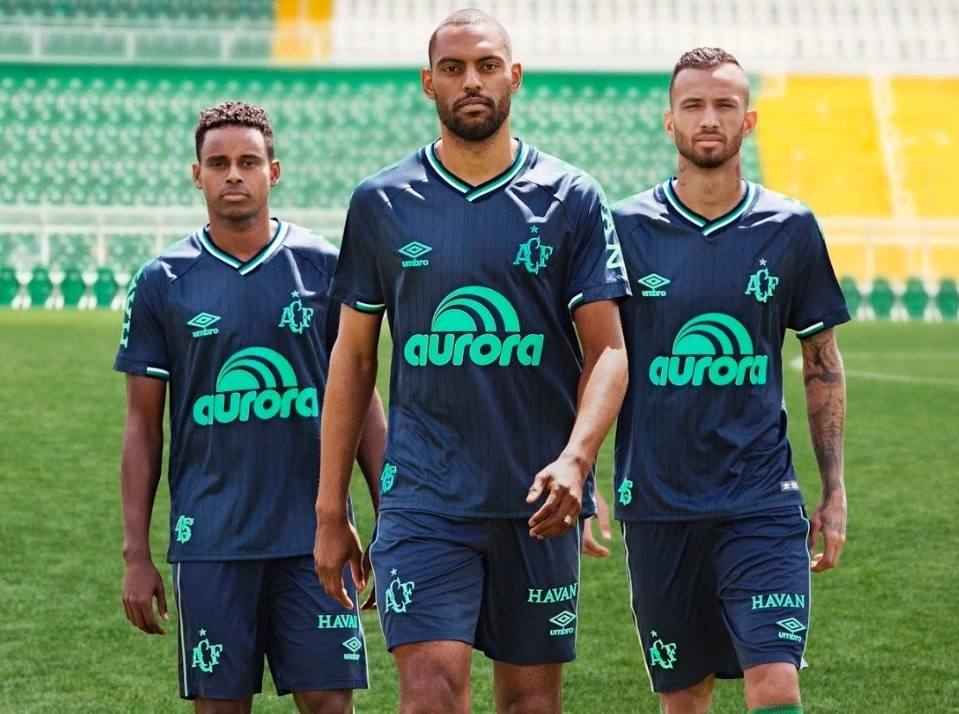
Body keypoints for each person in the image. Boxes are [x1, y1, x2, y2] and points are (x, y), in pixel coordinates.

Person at [313, 9, 631, 713]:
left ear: (513, 76)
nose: (471, 81)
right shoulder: (380, 203)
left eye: (486, 66)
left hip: (534, 501)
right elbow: (353, 361)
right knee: (429, 692)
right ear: (428, 84)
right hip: (424, 496)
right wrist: (329, 507)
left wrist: (578, 459)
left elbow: (608, 349)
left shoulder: (570, 198)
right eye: (453, 69)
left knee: (530, 703)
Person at [115, 101, 386, 714]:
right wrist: (137, 552)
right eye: (218, 163)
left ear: (274, 170)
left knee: (329, 705)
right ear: (197, 174)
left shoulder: (323, 266)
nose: (233, 174)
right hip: (210, 540)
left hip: (316, 537)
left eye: (247, 161)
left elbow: (361, 396)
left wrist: (387, 515)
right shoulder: (162, 281)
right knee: (220, 707)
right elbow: (142, 427)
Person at [611, 48, 849, 714]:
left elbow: (821, 364)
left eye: (723, 105)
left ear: (749, 121)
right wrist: (576, 472)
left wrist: (832, 492)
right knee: (684, 696)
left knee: (774, 682)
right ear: (669, 122)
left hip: (761, 501)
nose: (708, 119)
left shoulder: (791, 228)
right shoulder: (624, 229)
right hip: (656, 502)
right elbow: (589, 362)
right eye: (693, 105)